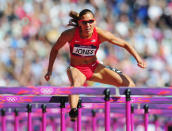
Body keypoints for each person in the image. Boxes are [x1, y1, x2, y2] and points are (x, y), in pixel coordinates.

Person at [44, 9, 146, 121]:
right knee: (76, 83)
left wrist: (138, 59)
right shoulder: (69, 34)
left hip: (95, 68)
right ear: (79, 23)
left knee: (130, 85)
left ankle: (127, 109)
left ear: (95, 22)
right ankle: (73, 111)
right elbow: (55, 49)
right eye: (84, 22)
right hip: (77, 69)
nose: (88, 25)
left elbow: (125, 44)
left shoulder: (100, 34)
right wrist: (49, 70)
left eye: (90, 21)